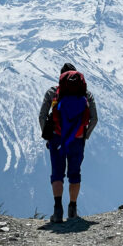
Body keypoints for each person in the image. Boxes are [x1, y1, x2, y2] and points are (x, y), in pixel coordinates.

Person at [39, 62, 98, 222]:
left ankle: (58, 211)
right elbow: (94, 118)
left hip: (57, 138)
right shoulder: (86, 94)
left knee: (57, 174)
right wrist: (84, 135)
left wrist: (48, 136)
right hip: (77, 140)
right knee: (74, 174)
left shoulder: (53, 92)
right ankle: (73, 209)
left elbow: (42, 115)